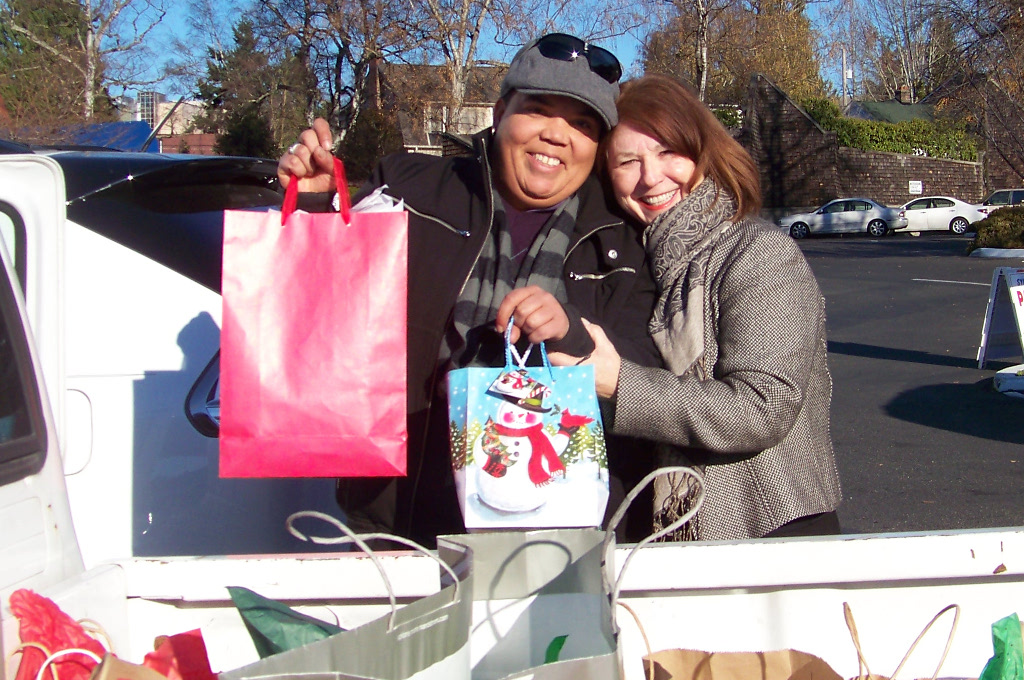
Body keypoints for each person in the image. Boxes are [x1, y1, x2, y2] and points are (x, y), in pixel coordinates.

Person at [278, 34, 661, 546]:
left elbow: (650, 379)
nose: (557, 135)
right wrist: (314, 209)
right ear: (501, 112)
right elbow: (325, 318)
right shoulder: (408, 189)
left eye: (582, 124)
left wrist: (571, 337)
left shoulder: (623, 240)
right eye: (539, 111)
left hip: (557, 524)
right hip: (401, 516)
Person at [551, 73, 842, 540]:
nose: (651, 177)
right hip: (689, 538)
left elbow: (762, 408)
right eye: (628, 161)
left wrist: (619, 382)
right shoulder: (650, 262)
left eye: (668, 151)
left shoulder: (757, 251)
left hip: (769, 533)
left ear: (702, 151)